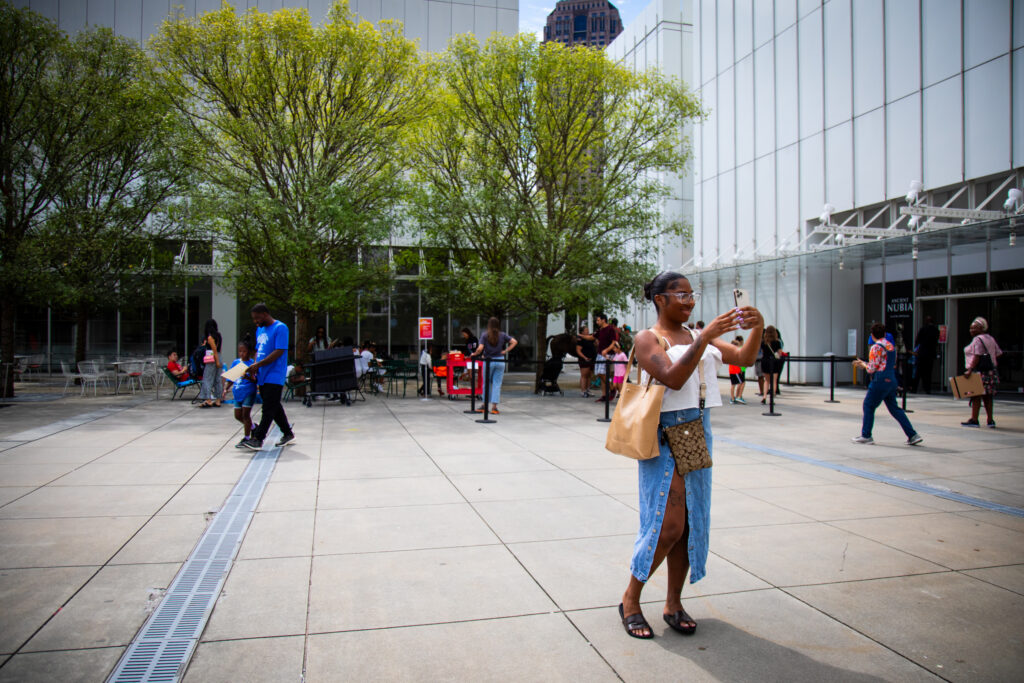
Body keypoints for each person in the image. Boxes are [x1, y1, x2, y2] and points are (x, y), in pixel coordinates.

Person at [619, 271, 763, 639]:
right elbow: (672, 377)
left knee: (689, 526)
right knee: (666, 526)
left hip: (698, 430)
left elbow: (744, 359)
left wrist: (757, 327)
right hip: (664, 433)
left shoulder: (699, 337)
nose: (688, 300)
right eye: (680, 294)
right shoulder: (648, 338)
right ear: (660, 299)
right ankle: (631, 599)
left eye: (690, 294)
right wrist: (706, 338)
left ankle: (673, 602)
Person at [852, 323, 923, 446]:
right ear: (885, 334)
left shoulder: (876, 347)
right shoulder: (890, 346)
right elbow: (886, 362)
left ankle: (866, 435)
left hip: (880, 379)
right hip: (891, 379)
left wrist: (863, 364)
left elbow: (871, 368)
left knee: (868, 405)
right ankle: (912, 434)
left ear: (872, 335)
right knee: (895, 409)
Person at [243, 303, 295, 449]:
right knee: (274, 406)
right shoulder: (259, 330)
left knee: (268, 408)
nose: (255, 321)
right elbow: (258, 352)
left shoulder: (280, 328)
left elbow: (279, 351)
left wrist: (258, 365)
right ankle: (288, 433)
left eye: (257, 318)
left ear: (265, 314)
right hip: (262, 375)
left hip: (274, 374)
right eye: (253, 319)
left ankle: (258, 438)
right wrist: (254, 368)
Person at [470, 317, 517, 415]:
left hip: (488, 361)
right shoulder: (503, 335)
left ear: (489, 325)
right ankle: (494, 408)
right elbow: (514, 342)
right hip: (500, 360)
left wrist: (474, 354)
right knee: (497, 384)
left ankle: (484, 405)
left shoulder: (485, 335)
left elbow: (480, 348)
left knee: (486, 383)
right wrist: (505, 351)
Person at [962, 317, 1002, 428]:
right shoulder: (990, 338)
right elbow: (998, 353)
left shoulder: (977, 339)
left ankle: (974, 420)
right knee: (988, 397)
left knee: (975, 396)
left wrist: (970, 369)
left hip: (979, 371)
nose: (971, 330)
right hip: (991, 372)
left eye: (975, 328)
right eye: (971, 328)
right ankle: (990, 420)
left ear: (982, 328)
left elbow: (977, 356)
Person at [223, 337, 257, 448]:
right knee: (238, 416)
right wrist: (226, 388)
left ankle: (246, 437)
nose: (242, 354)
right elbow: (231, 377)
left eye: (244, 351)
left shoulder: (252, 364)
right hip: (237, 392)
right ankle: (253, 427)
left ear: (249, 352)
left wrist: (247, 376)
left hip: (248, 391)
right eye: (240, 351)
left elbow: (255, 380)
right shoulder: (236, 362)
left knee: (245, 415)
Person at [593, 312, 619, 401]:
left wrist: (606, 350)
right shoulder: (600, 330)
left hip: (608, 354)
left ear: (603, 320)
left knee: (602, 373)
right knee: (600, 375)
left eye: (598, 320)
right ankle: (604, 395)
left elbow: (614, 342)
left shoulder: (610, 329)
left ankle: (612, 388)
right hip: (600, 354)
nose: (597, 322)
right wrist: (581, 335)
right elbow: (592, 337)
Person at [198, 319, 223, 408]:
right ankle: (218, 400)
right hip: (219, 356)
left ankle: (208, 399)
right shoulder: (219, 336)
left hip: (212, 358)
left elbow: (214, 350)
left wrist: (216, 361)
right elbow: (218, 350)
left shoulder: (210, 337)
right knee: (218, 379)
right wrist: (218, 361)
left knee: (207, 378)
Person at [913, 316, 939, 394]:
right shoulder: (935, 330)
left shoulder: (923, 329)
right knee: (928, 372)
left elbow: (918, 340)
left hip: (922, 353)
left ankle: (914, 388)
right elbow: (936, 341)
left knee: (918, 371)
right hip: (930, 353)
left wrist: (916, 349)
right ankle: (927, 389)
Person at [759, 325, 783, 404]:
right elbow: (780, 353)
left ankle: (764, 396)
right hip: (774, 362)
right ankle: (772, 398)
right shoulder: (777, 342)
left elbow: (762, 352)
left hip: (765, 361)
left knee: (767, 381)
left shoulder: (763, 342)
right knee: (774, 381)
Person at [575, 325, 596, 397]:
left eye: (588, 329)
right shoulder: (580, 339)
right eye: (586, 330)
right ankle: (583, 390)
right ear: (582, 331)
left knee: (589, 375)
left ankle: (588, 389)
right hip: (584, 359)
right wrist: (584, 357)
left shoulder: (590, 338)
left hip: (592, 358)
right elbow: (578, 350)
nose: (588, 331)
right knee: (584, 375)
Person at [728, 337, 747, 404]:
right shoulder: (737, 351)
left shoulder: (729, 353)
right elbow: (739, 362)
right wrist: (742, 368)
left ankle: (733, 398)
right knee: (742, 382)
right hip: (736, 370)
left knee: (733, 384)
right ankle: (738, 396)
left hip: (731, 370)